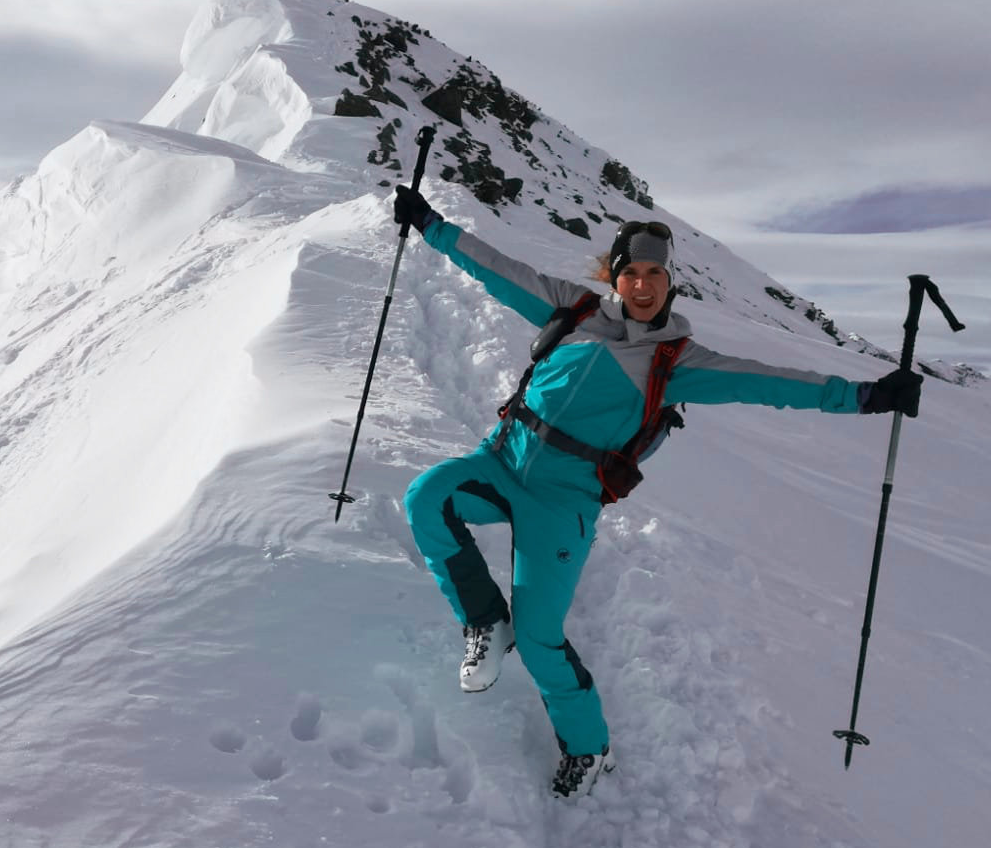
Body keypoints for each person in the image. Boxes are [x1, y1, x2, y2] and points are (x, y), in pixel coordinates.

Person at [393, 186, 922, 800]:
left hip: (564, 502)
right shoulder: (574, 309)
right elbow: (498, 269)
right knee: (427, 498)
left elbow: (772, 383)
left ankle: (588, 750)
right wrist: (431, 226)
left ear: (671, 282)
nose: (642, 286)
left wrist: (864, 397)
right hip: (501, 461)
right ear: (614, 277)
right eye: (631, 273)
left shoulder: (678, 362)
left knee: (541, 638)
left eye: (655, 274)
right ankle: (485, 620)